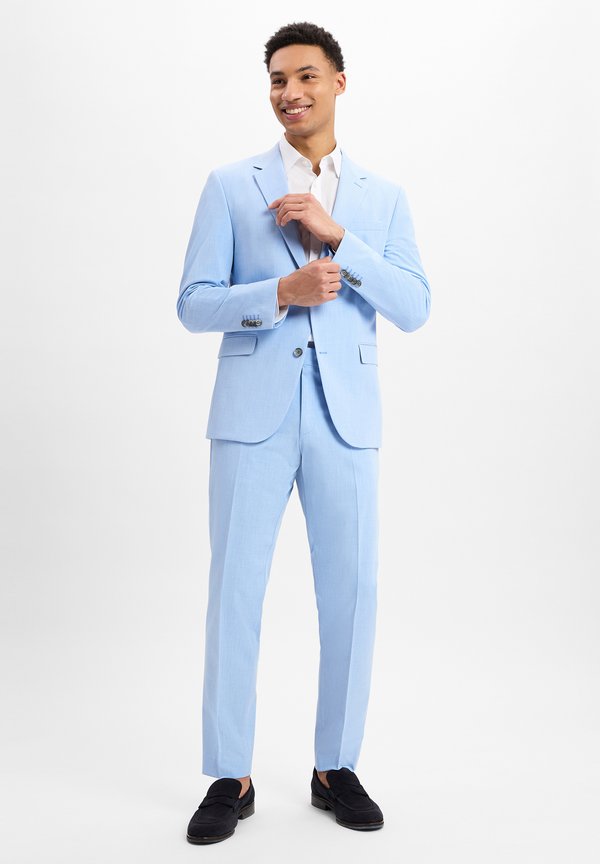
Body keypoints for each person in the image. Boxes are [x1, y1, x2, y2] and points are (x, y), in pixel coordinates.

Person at [177, 20, 431, 844]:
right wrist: (279, 293)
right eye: (278, 79)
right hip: (251, 420)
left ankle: (335, 766)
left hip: (345, 420)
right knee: (234, 593)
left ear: (339, 82)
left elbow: (414, 306)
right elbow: (193, 304)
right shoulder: (229, 185)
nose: (290, 92)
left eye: (306, 76)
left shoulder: (382, 197)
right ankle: (230, 773)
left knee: (354, 592)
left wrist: (339, 240)